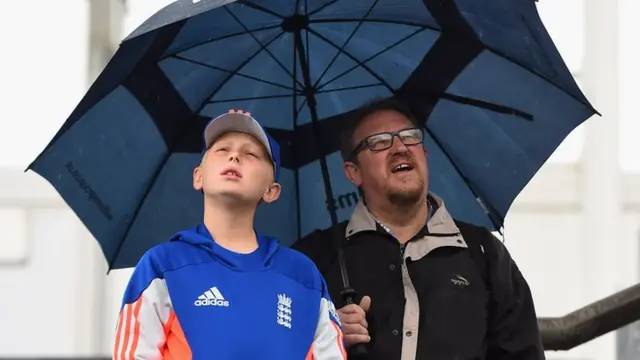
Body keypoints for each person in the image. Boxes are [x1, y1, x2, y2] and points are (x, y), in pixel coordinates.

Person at [292, 98, 545, 359]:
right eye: (379, 142)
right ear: (353, 172)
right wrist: (324, 338)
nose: (400, 147)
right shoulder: (312, 260)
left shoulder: (483, 253)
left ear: (424, 155)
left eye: (411, 137)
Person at [113, 110, 346, 360]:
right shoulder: (162, 265)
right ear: (198, 176)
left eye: (251, 154)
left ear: (272, 191)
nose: (234, 156)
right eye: (222, 150)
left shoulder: (304, 275)